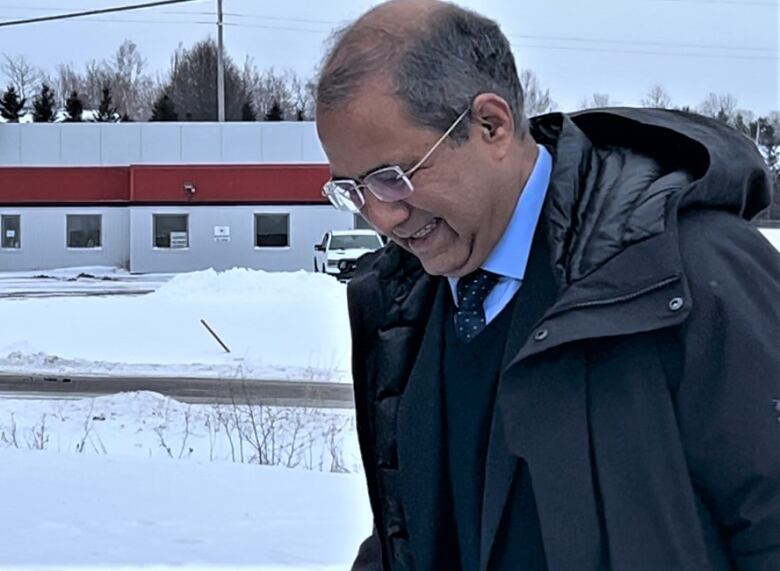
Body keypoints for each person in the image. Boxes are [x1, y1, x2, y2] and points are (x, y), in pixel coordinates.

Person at [314, 1, 780, 569]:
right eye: (352, 189)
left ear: (492, 125)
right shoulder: (402, 308)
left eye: (394, 177)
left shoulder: (690, 270)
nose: (379, 218)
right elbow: (412, 536)